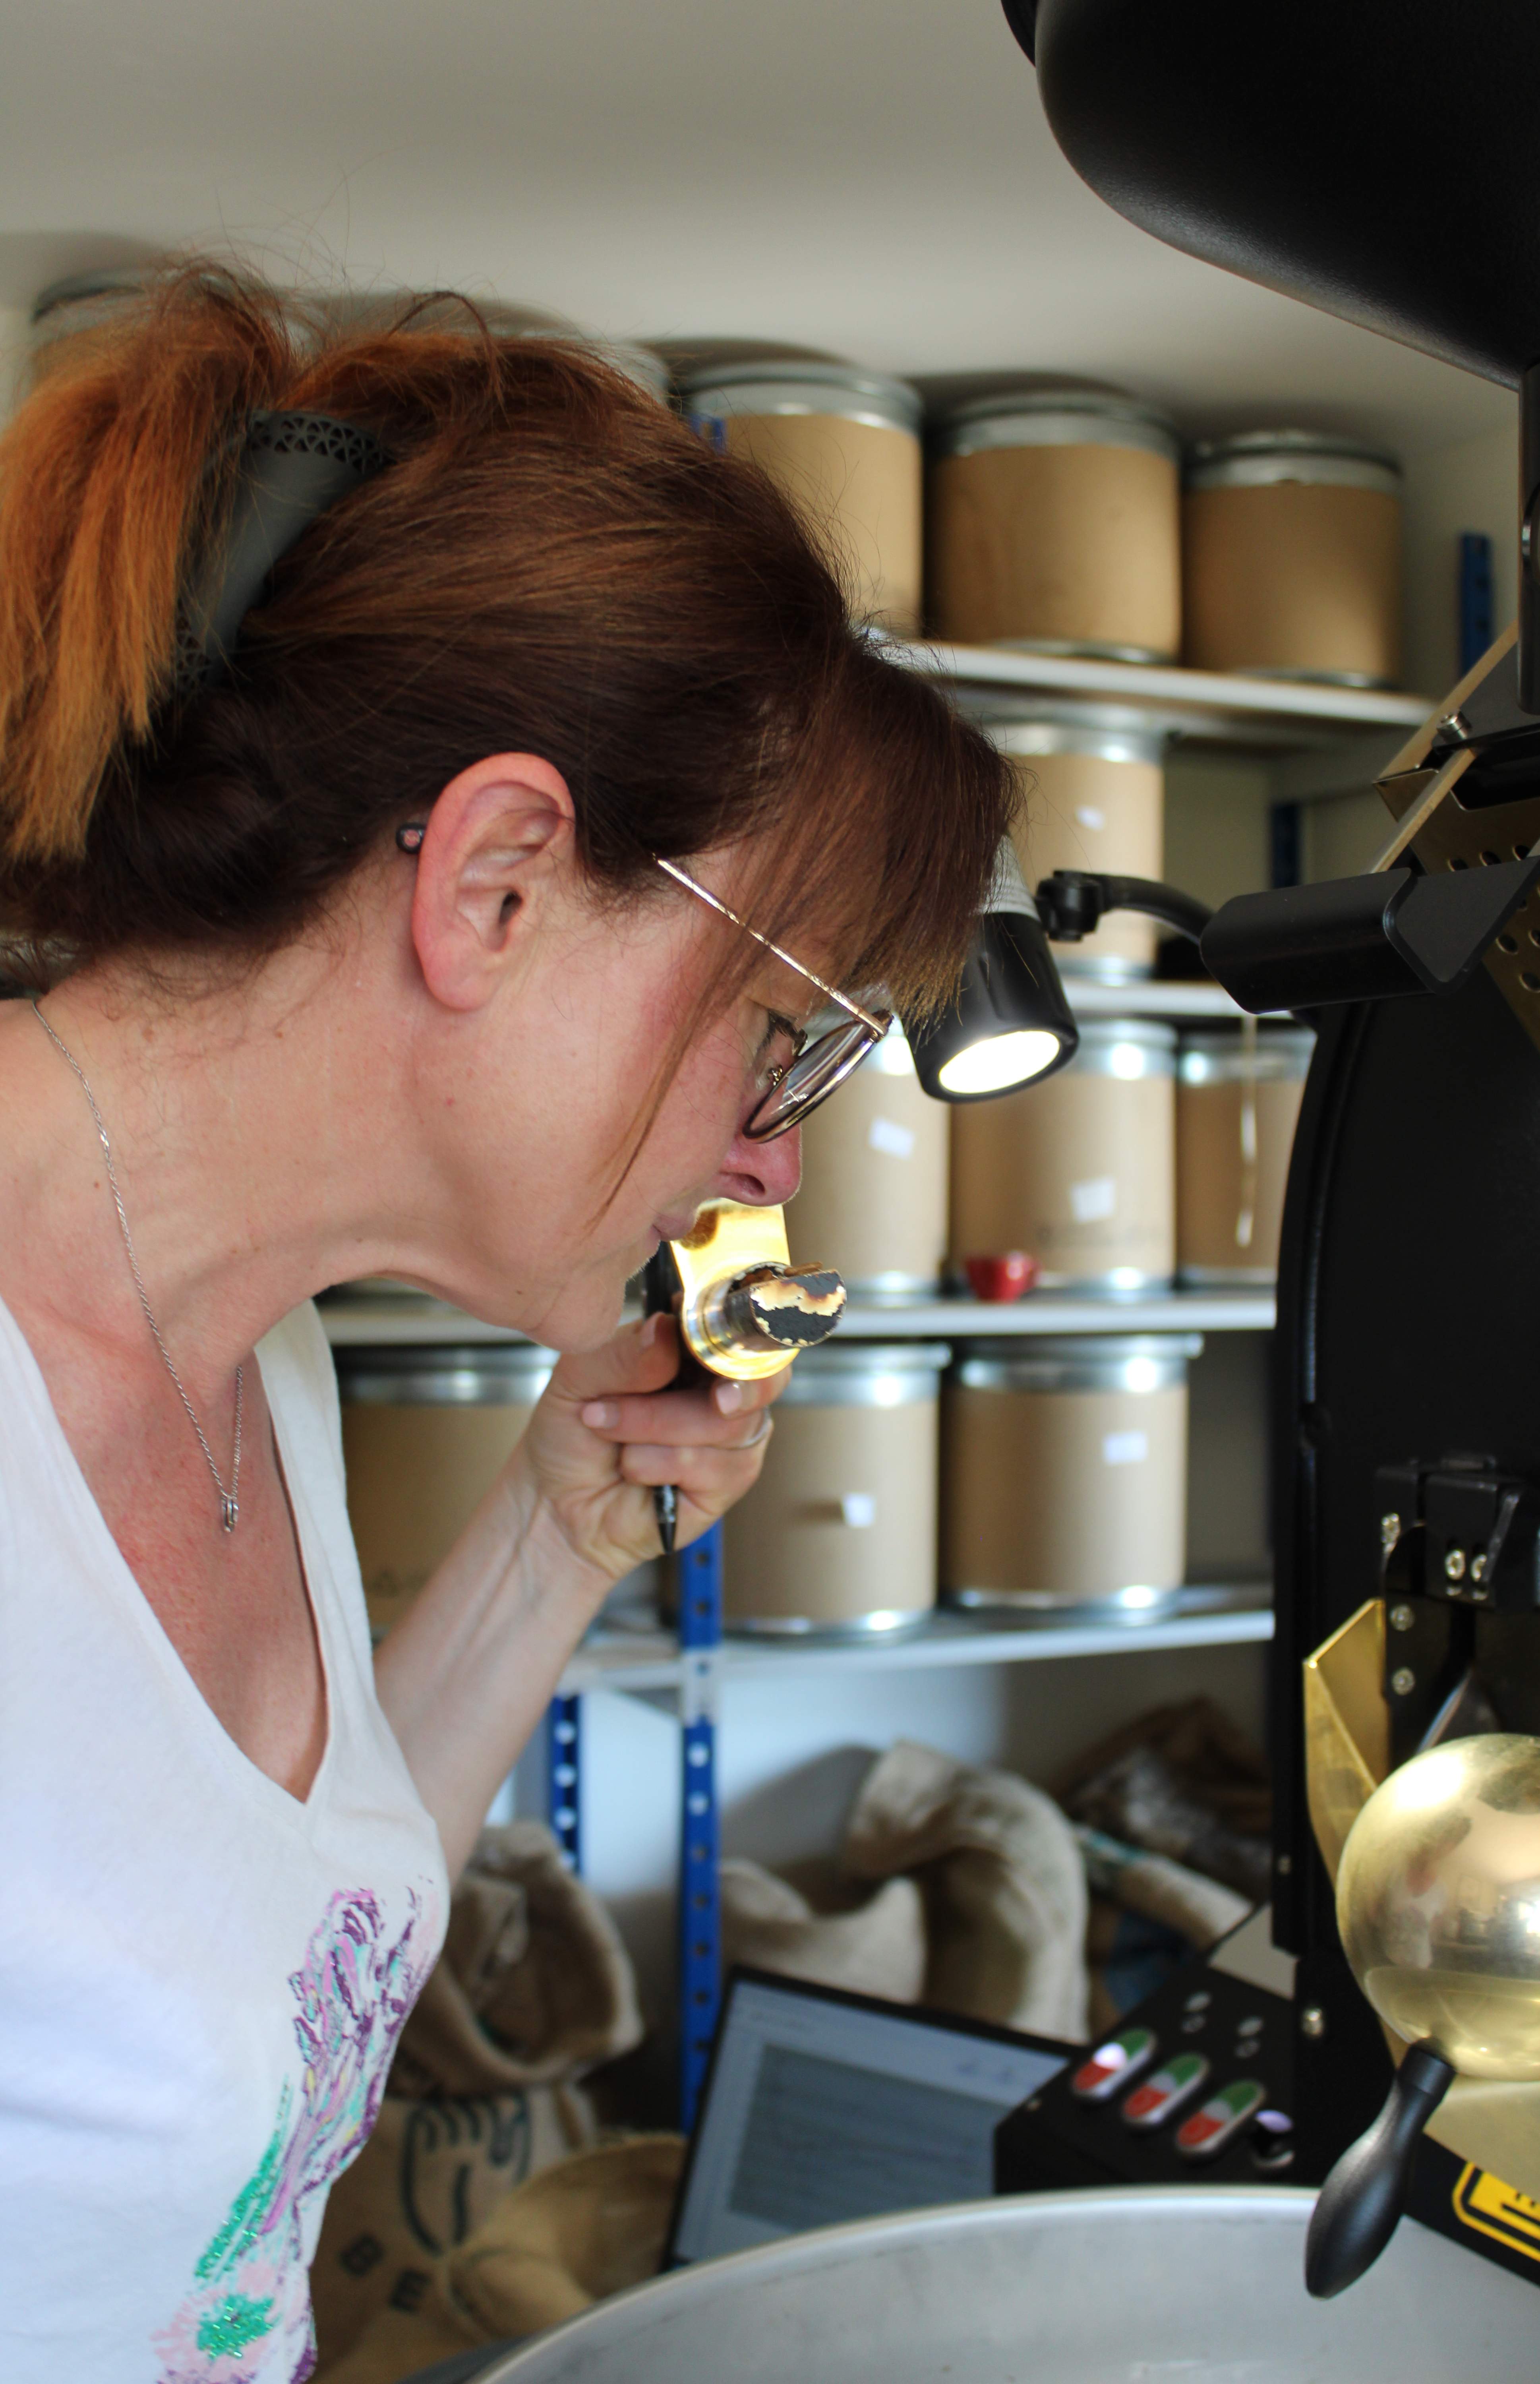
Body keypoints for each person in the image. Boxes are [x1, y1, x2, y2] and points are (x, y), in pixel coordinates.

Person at [0, 271, 1012, 2383]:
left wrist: (561, 1533)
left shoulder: (259, 1352)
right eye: (782, 1031)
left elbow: (284, 2006)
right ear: (499, 883)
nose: (773, 1157)